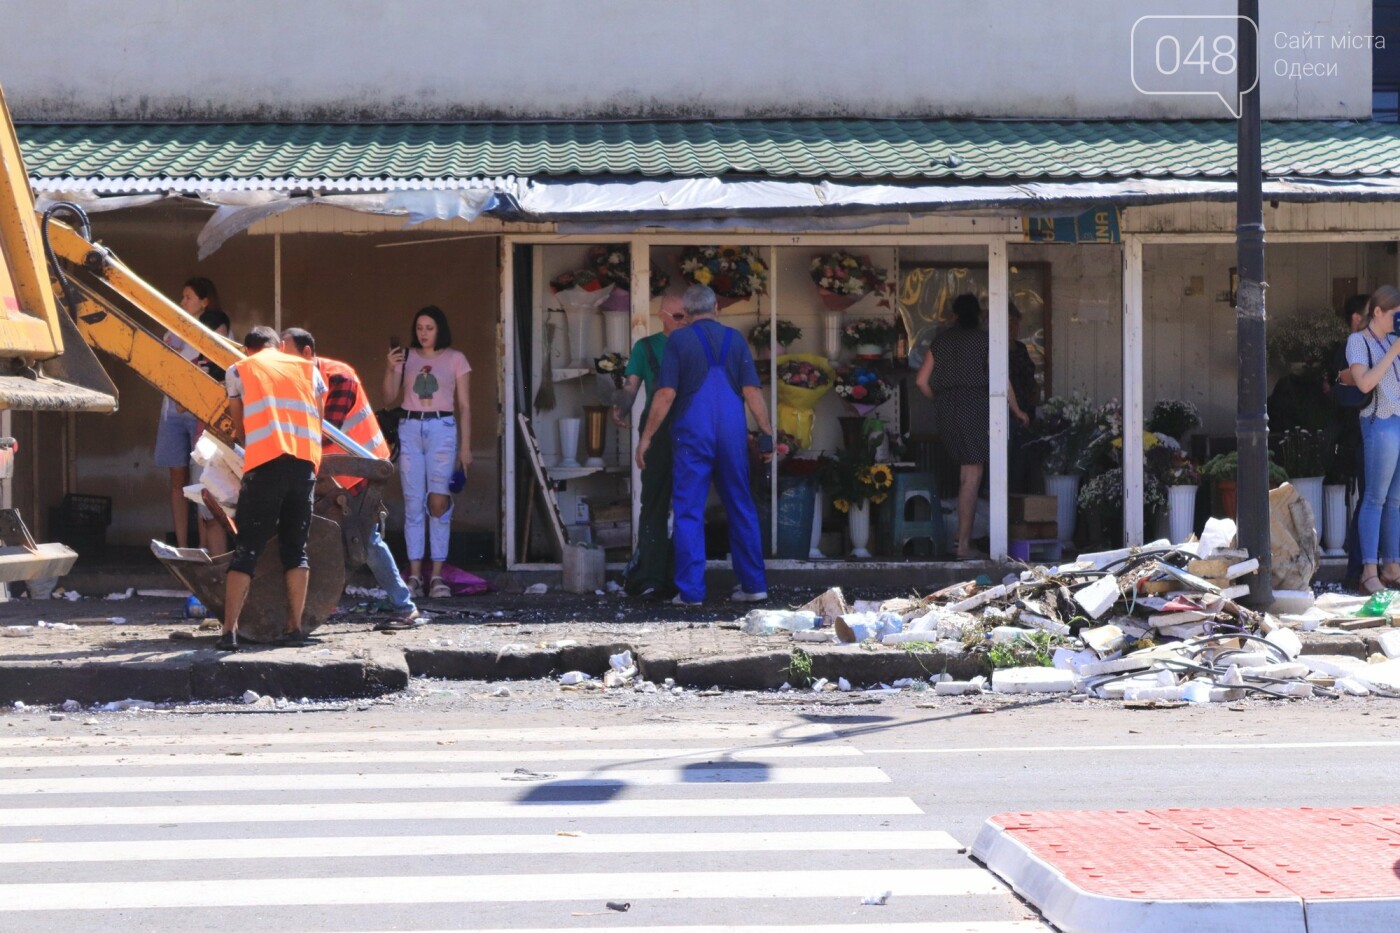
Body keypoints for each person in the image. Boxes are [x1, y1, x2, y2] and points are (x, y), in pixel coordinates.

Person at [637, 284, 774, 606]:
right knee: (741, 506)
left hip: (692, 434)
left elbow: (666, 393)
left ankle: (691, 592)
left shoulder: (679, 340)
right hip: (731, 434)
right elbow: (752, 392)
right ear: (716, 309)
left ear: (684, 313)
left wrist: (646, 438)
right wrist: (766, 435)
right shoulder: (735, 340)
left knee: (689, 511)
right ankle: (754, 585)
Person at [281, 328, 421, 629]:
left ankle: (404, 605)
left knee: (364, 539)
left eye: (287, 355)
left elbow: (324, 429)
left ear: (306, 354)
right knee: (344, 538)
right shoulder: (303, 380)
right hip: (338, 470)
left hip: (361, 469)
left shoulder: (338, 376)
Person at [217, 326, 326, 650]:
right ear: (277, 345)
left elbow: (240, 427)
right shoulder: (309, 369)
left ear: (247, 349)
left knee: (247, 549)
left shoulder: (240, 369)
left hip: (265, 466)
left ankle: (229, 632)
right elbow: (317, 418)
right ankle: (295, 629)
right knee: (296, 549)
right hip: (304, 466)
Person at [915, 294, 1030, 559]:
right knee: (971, 477)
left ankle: (960, 537)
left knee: (965, 474)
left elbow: (922, 381)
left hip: (947, 410)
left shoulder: (941, 341)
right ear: (979, 315)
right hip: (976, 408)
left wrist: (941, 400)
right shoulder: (984, 341)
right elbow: (1002, 380)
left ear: (954, 316)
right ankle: (964, 545)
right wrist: (1017, 410)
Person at [382, 305, 471, 599]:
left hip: (442, 426)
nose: (423, 333)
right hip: (409, 425)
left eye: (429, 328)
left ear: (439, 329)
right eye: (419, 328)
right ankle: (416, 576)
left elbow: (465, 406)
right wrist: (391, 367)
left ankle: (436, 576)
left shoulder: (456, 358)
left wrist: (466, 449)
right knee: (412, 502)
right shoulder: (406, 357)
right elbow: (388, 397)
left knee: (438, 502)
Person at [612, 295, 687, 599]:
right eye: (680, 316)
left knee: (688, 504)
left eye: (689, 315)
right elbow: (631, 386)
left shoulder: (694, 342)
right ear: (663, 316)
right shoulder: (645, 347)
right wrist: (620, 408)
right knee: (654, 503)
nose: (686, 321)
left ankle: (681, 577)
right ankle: (651, 577)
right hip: (657, 429)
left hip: (690, 426)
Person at [154, 277, 223, 548]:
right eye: (182, 297)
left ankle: (205, 548)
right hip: (172, 411)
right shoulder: (173, 329)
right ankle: (183, 547)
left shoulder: (215, 328)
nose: (182, 302)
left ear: (205, 302)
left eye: (189, 297)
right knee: (178, 481)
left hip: (199, 414)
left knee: (200, 483)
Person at [1345, 285, 1400, 595]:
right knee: (1375, 499)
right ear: (1377, 312)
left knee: (1395, 501)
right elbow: (1364, 383)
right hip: (1379, 422)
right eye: (1395, 314)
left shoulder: (1392, 340)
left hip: (1399, 421)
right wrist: (1394, 351)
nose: (1397, 320)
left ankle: (1392, 566)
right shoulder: (1358, 341)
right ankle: (1369, 570)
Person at [1333, 294, 1371, 588]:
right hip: (1358, 435)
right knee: (1371, 501)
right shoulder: (1351, 347)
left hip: (1371, 430)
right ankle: (1357, 570)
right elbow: (1352, 384)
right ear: (1357, 319)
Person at [1007, 303, 1038, 495]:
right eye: (1009, 324)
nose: (1013, 329)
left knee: (1023, 460)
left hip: (1026, 412)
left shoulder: (1020, 349)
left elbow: (1030, 377)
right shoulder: (993, 348)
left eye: (1016, 324)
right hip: (1008, 414)